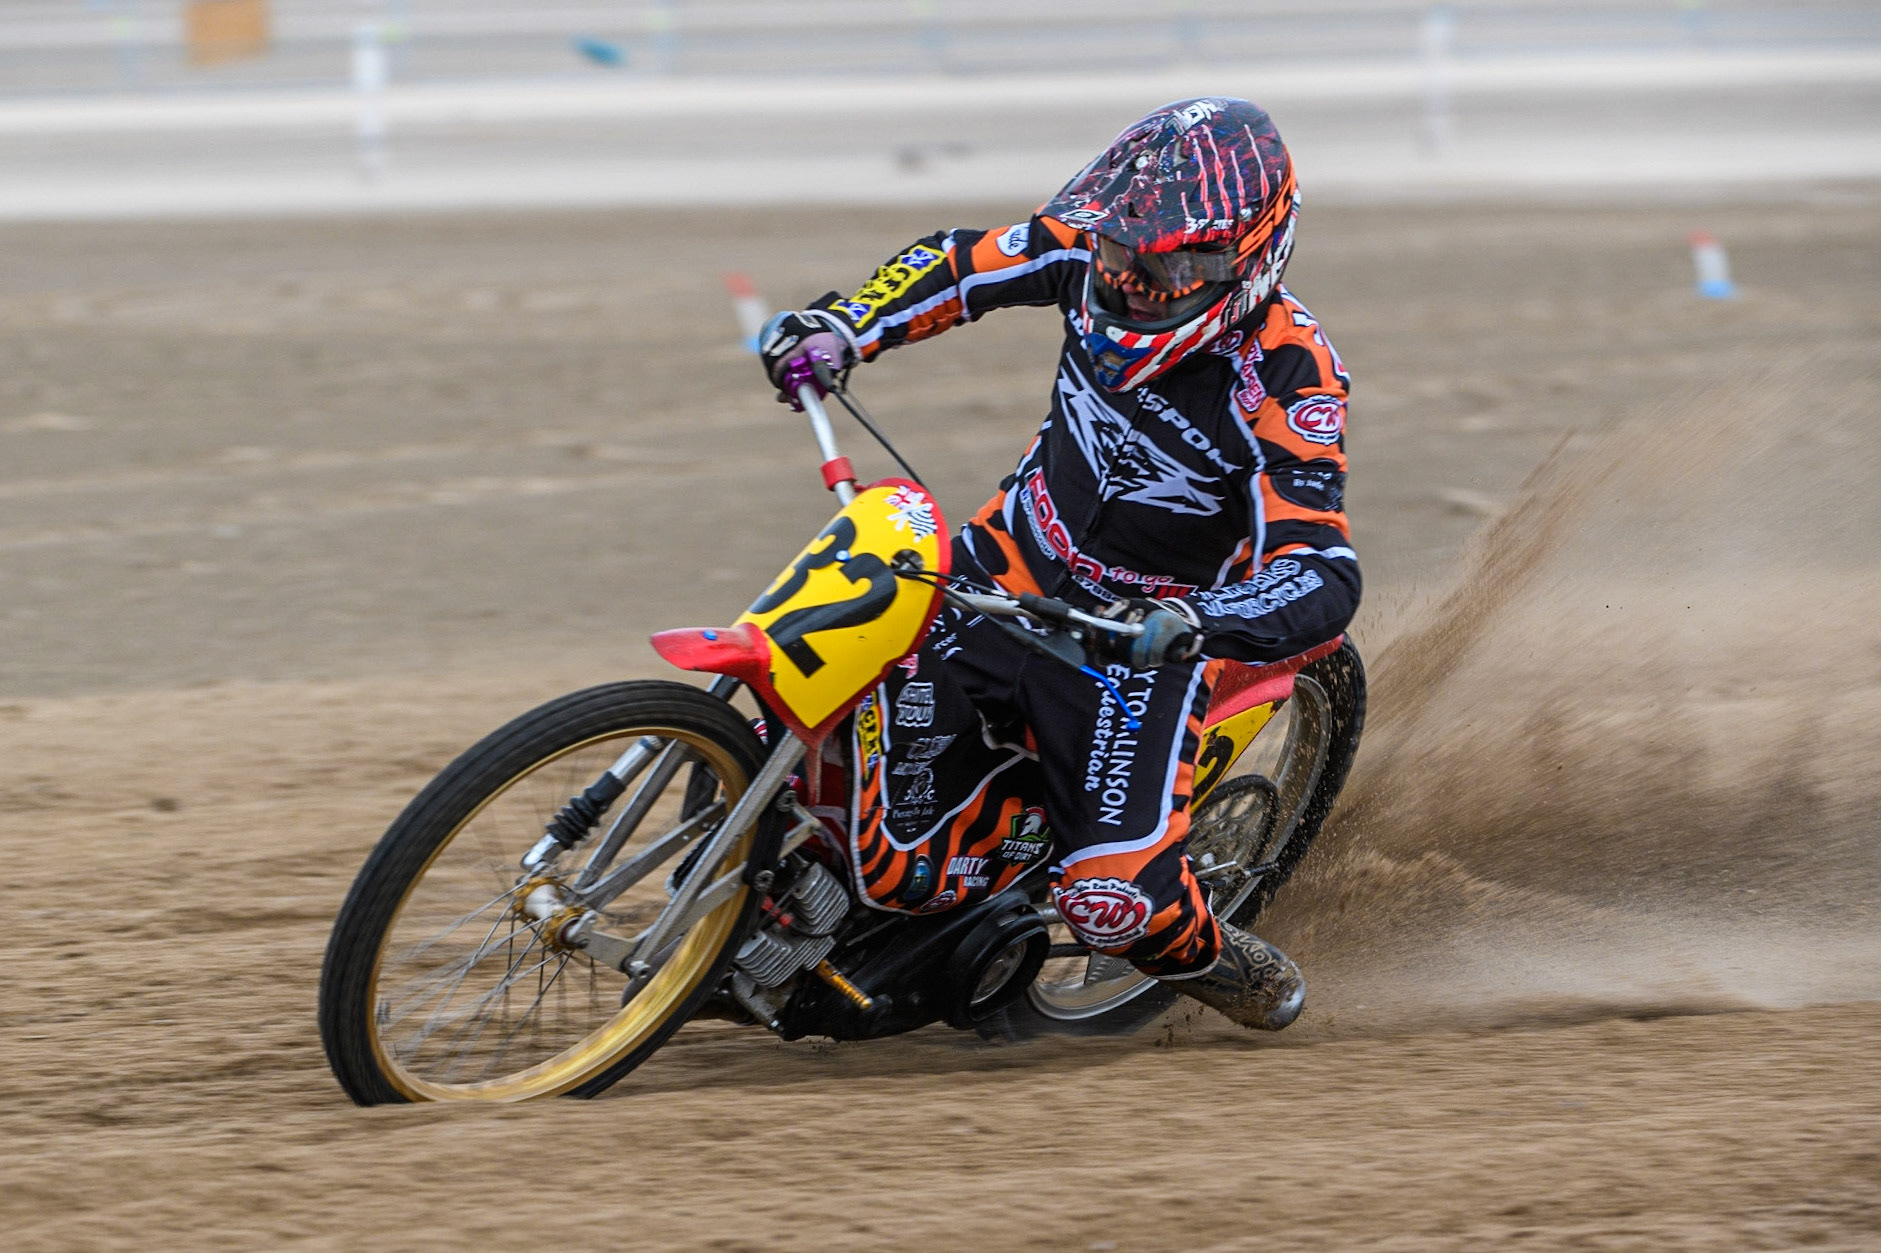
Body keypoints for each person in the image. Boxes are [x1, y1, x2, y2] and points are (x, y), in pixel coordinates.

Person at [756, 98, 1357, 1031]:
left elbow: (1323, 572)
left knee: (1111, 902)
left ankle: (1236, 968)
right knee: (809, 713)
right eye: (1124, 256)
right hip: (1006, 561)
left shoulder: (1289, 377)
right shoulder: (1088, 249)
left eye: (1175, 266)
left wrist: (1197, 624)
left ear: (1253, 258)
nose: (1137, 284)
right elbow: (958, 262)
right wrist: (842, 326)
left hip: (1134, 643)